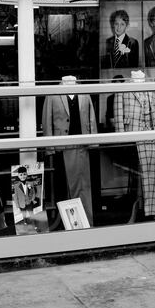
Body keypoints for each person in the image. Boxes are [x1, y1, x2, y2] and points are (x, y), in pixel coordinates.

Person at [41, 75, 97, 225]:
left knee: (84, 184)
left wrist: (93, 141)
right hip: (62, 146)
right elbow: (47, 120)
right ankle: (70, 222)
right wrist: (49, 147)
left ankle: (86, 221)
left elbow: (91, 117)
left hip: (82, 145)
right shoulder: (53, 93)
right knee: (65, 186)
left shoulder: (84, 93)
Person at [113, 70, 155, 221]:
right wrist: (122, 138)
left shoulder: (150, 87)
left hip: (151, 135)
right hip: (133, 135)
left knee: (152, 174)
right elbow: (118, 114)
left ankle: (152, 210)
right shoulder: (123, 88)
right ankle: (134, 209)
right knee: (136, 176)